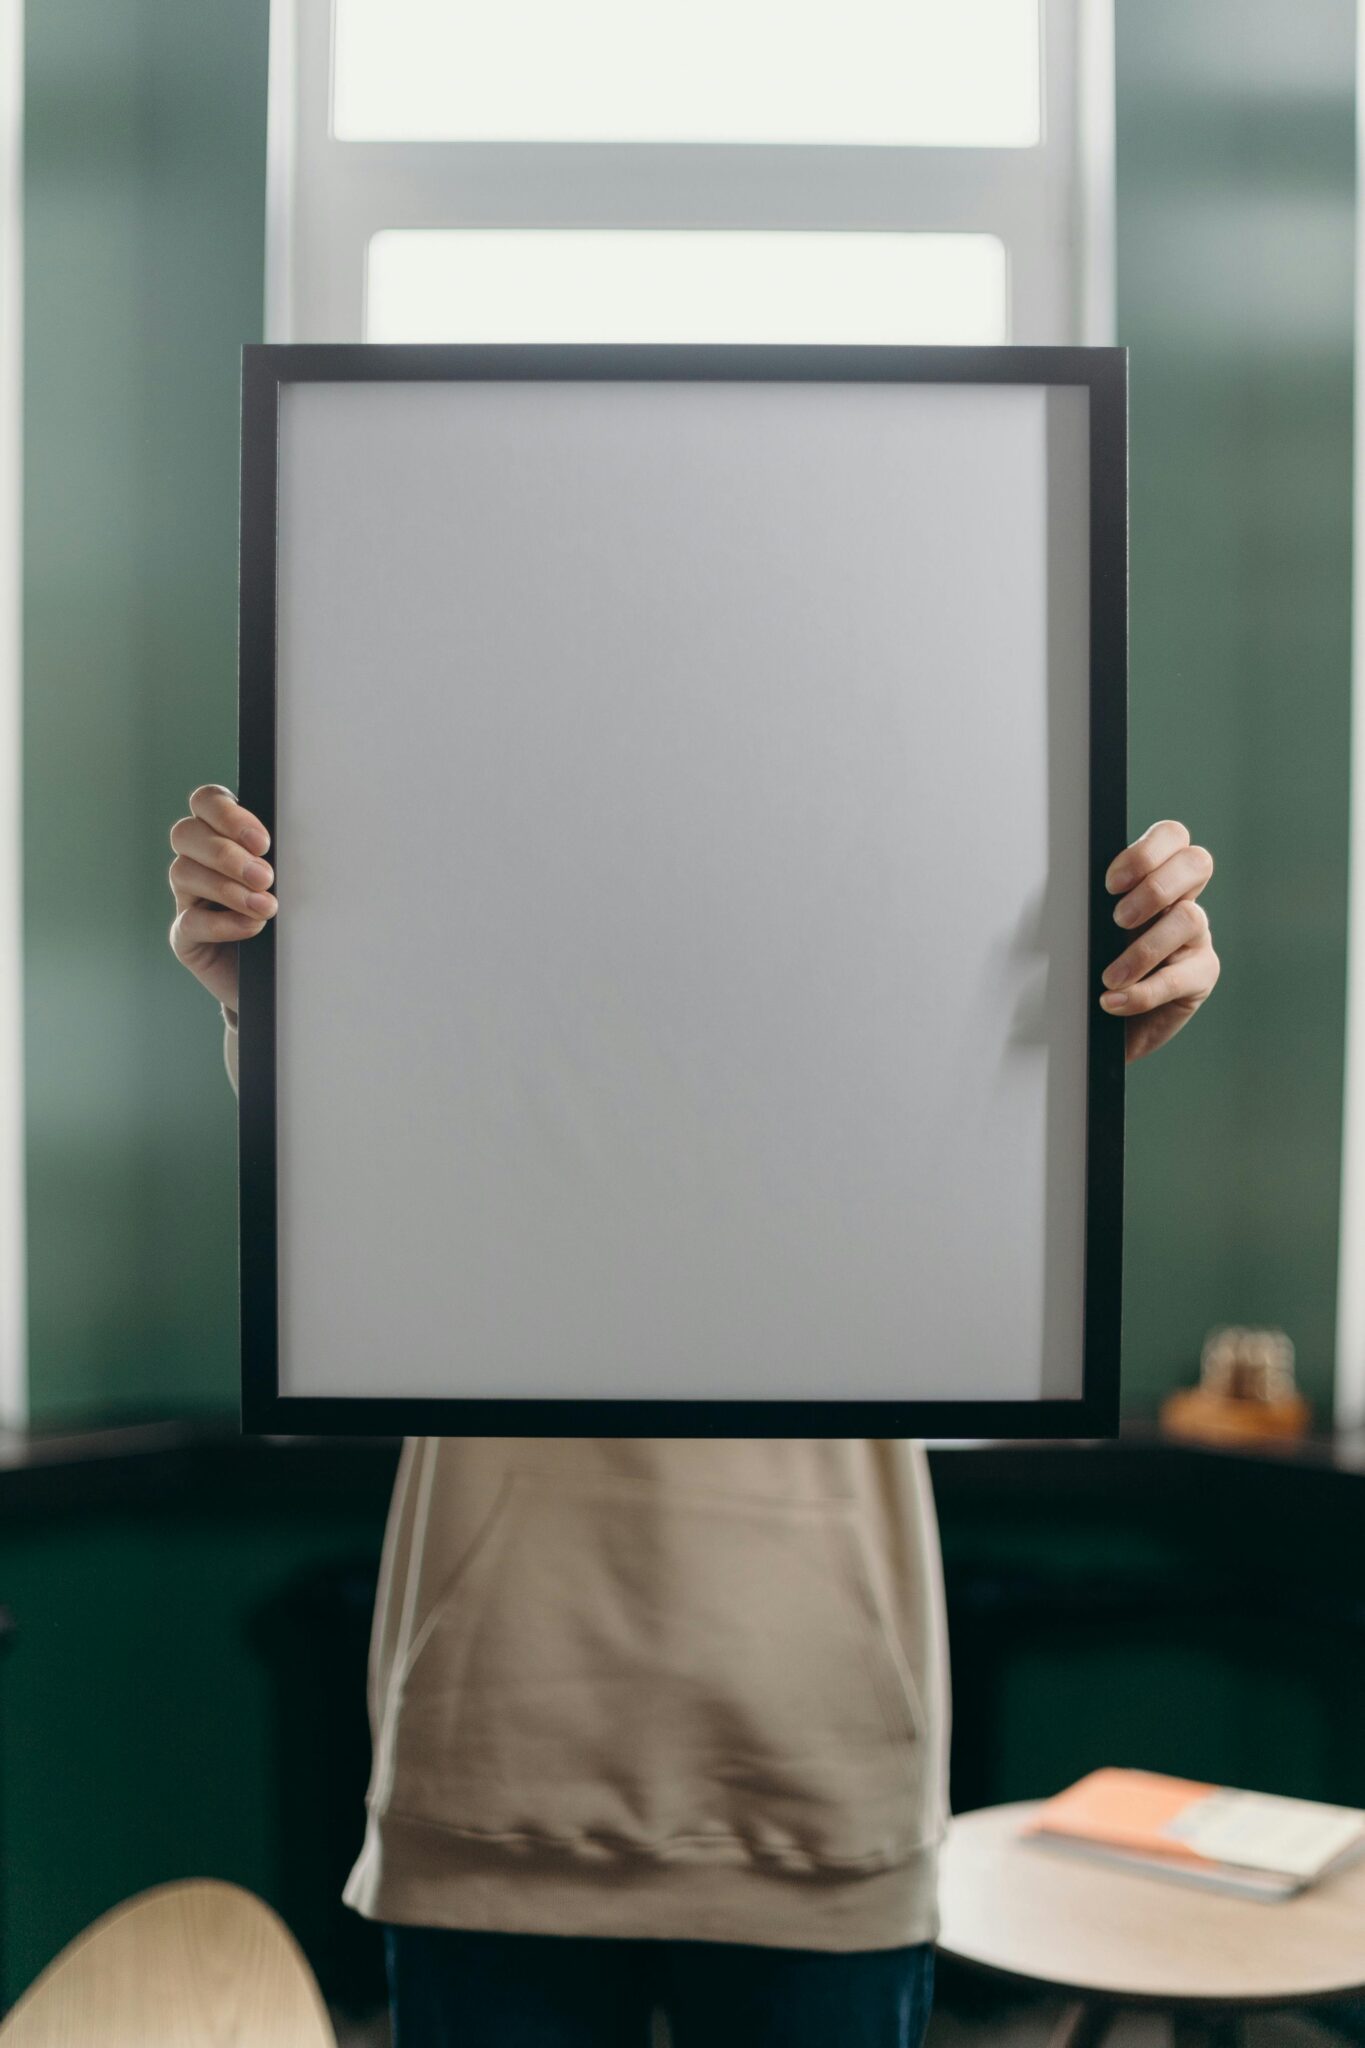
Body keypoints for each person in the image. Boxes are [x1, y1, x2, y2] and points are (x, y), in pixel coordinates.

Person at [169, 787, 1219, 2048]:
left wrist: (1069, 1066)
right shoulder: (470, 826)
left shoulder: (901, 841)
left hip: (820, 1757)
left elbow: (967, 1261)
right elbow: (356, 1189)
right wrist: (269, 996)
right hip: (500, 1751)